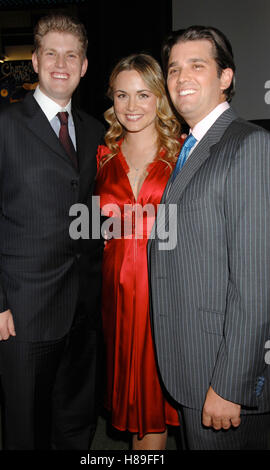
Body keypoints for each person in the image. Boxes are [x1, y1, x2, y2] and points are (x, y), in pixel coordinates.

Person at [0, 13, 105, 450]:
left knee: (76, 421)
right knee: (26, 425)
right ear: (34, 61)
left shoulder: (97, 132)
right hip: (23, 311)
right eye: (51, 53)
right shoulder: (0, 126)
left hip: (85, 310)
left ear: (85, 65)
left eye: (72, 54)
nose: (61, 63)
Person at [148, 25, 270, 450]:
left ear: (226, 78)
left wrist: (231, 384)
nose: (181, 77)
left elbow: (256, 283)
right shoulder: (192, 147)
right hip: (191, 363)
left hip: (219, 377)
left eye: (197, 66)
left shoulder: (249, 145)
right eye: (174, 68)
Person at [95, 53, 181, 450]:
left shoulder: (182, 154)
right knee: (134, 411)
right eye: (122, 95)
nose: (131, 106)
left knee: (155, 409)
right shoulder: (102, 157)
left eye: (143, 94)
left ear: (160, 98)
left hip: (165, 296)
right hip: (116, 299)